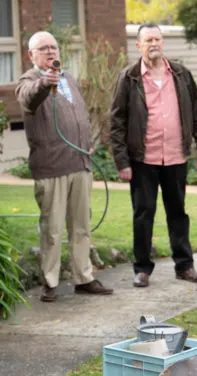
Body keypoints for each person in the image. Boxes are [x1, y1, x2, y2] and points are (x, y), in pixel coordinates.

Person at [110, 23, 197, 288]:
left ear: (162, 43)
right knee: (143, 213)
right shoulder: (129, 77)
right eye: (148, 40)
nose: (154, 43)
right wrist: (122, 161)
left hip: (176, 156)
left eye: (157, 39)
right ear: (139, 46)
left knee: (178, 213)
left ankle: (185, 266)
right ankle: (142, 268)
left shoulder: (181, 74)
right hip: (143, 159)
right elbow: (117, 121)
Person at [15, 31, 114, 302]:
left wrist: (86, 143)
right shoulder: (30, 80)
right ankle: (50, 282)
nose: (50, 52)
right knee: (53, 229)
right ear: (31, 55)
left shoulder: (68, 78)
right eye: (43, 48)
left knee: (81, 226)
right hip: (51, 168)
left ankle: (84, 277)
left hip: (80, 164)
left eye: (53, 47)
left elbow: (78, 115)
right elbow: (27, 99)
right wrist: (44, 84)